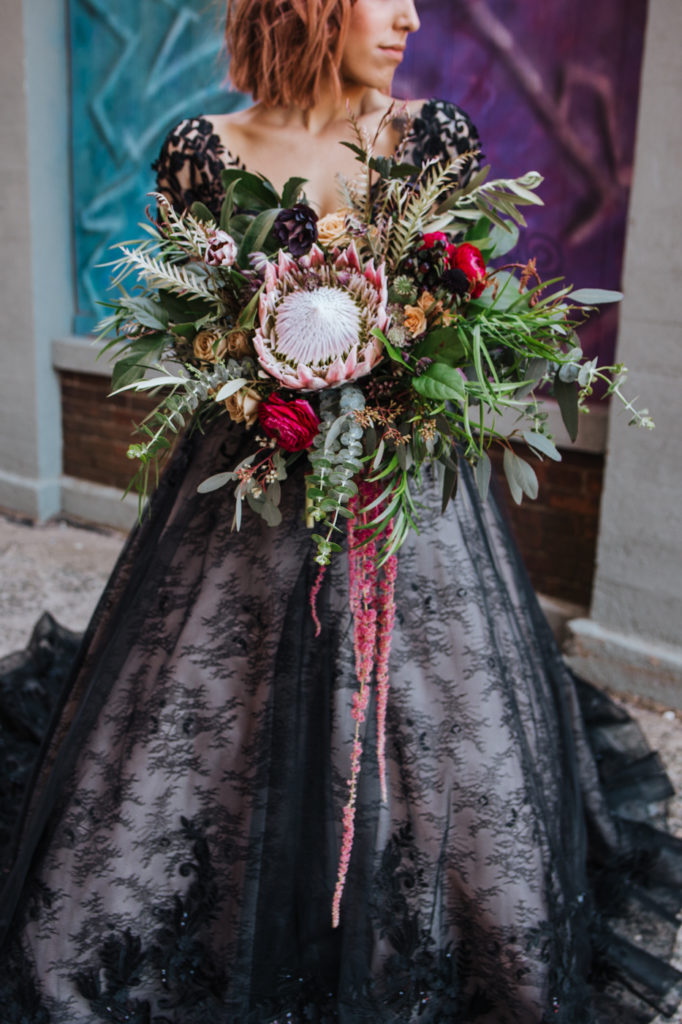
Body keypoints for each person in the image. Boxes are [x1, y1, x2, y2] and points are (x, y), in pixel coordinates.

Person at [1, 1, 682, 1022]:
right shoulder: (203, 151)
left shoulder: (429, 141)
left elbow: (456, 317)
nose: (410, 16)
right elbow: (187, 337)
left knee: (442, 724)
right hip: (248, 487)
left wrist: (404, 382)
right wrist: (250, 362)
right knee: (199, 717)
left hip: (402, 493)